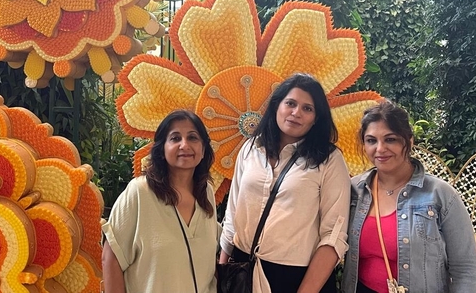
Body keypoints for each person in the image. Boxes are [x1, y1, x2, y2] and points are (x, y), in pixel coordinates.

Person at [219, 73, 351, 293]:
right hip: (242, 270)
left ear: (316, 118)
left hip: (296, 277)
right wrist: (222, 272)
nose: (296, 113)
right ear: (276, 106)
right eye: (290, 103)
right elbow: (233, 214)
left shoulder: (328, 159)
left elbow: (334, 235)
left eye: (308, 108)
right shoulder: (251, 149)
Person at [341, 101, 476, 293]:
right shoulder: (354, 190)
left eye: (390, 139)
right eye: (371, 140)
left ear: (409, 140)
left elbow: (465, 271)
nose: (380, 149)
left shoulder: (440, 195)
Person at [102, 109, 219, 293]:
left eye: (193, 138)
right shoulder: (140, 192)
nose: (184, 145)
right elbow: (111, 258)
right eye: (175, 138)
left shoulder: (206, 194)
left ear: (203, 149)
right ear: (162, 150)